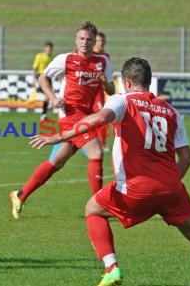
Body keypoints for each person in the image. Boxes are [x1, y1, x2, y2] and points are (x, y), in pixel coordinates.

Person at [29, 57, 190, 286]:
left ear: (129, 82)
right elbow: (186, 158)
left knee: (92, 209)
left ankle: (112, 269)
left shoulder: (122, 101)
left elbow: (100, 118)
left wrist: (60, 136)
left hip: (135, 188)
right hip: (171, 188)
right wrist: (168, 185)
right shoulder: (172, 111)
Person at [9, 21, 115, 220]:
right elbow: (43, 78)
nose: (85, 42)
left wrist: (104, 82)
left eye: (89, 39)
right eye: (81, 38)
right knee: (96, 151)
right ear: (76, 40)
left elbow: (112, 90)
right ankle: (98, 205)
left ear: (95, 41)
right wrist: (53, 97)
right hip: (70, 115)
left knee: (56, 162)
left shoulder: (103, 61)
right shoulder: (65, 59)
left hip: (88, 116)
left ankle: (20, 195)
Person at [92, 32, 113, 152]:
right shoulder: (89, 54)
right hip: (89, 90)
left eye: (102, 41)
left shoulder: (105, 56)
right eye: (99, 41)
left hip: (99, 91)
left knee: (102, 116)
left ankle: (102, 143)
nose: (101, 43)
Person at [31, 41, 54, 121]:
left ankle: (43, 114)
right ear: (45, 48)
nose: (49, 50)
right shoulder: (39, 56)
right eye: (48, 48)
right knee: (48, 96)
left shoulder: (52, 57)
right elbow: (35, 68)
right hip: (41, 77)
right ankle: (44, 113)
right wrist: (34, 79)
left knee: (48, 96)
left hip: (48, 78)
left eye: (50, 48)